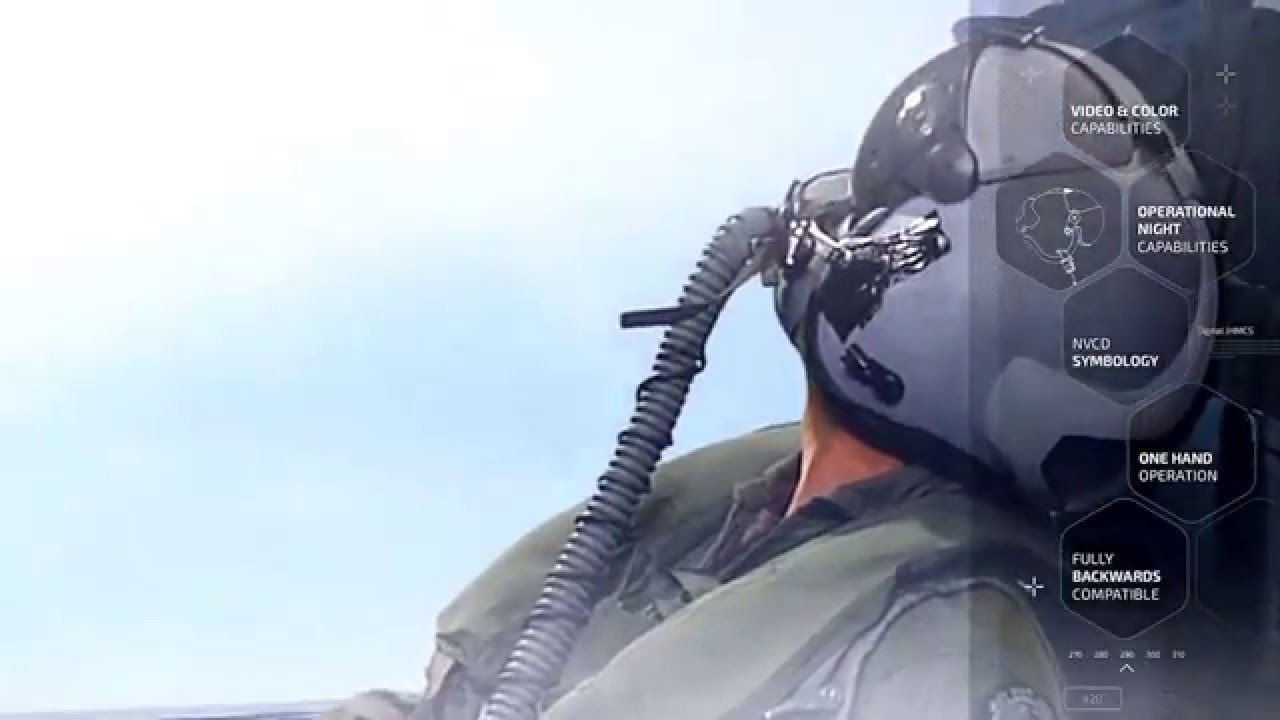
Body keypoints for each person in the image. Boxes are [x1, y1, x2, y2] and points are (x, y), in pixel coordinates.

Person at [324, 20, 1217, 720]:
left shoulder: (939, 660)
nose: (825, 213)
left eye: (873, 201)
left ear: (916, 297)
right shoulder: (735, 526)